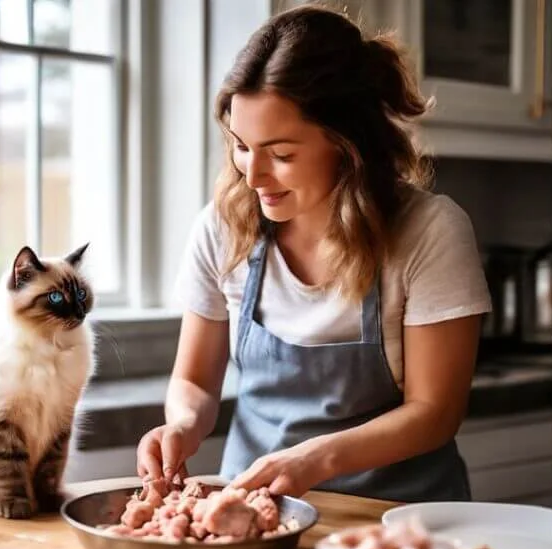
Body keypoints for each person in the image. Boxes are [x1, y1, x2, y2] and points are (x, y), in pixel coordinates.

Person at [135, 5, 492, 503]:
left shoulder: (429, 231)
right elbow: (194, 378)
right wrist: (183, 424)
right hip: (253, 510)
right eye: (241, 146)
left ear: (349, 146)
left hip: (396, 519)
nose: (252, 175)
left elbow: (434, 411)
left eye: (281, 155)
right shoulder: (223, 226)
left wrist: (315, 458)